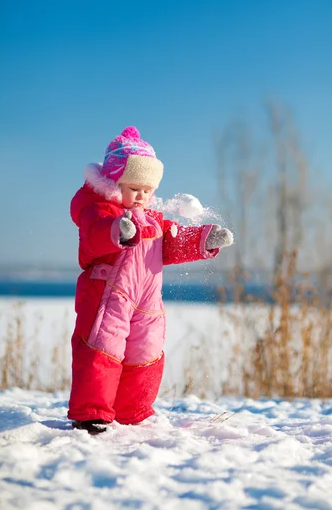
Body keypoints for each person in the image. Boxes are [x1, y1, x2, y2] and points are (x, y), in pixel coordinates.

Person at [68, 126, 234, 434]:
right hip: (108, 293)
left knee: (146, 351)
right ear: (114, 182)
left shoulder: (151, 218)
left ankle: (133, 412)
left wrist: (204, 239)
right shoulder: (99, 210)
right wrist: (119, 230)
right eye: (134, 188)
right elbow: (94, 234)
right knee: (102, 348)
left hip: (147, 299)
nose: (142, 195)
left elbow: (171, 240)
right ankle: (92, 412)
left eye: (147, 189)